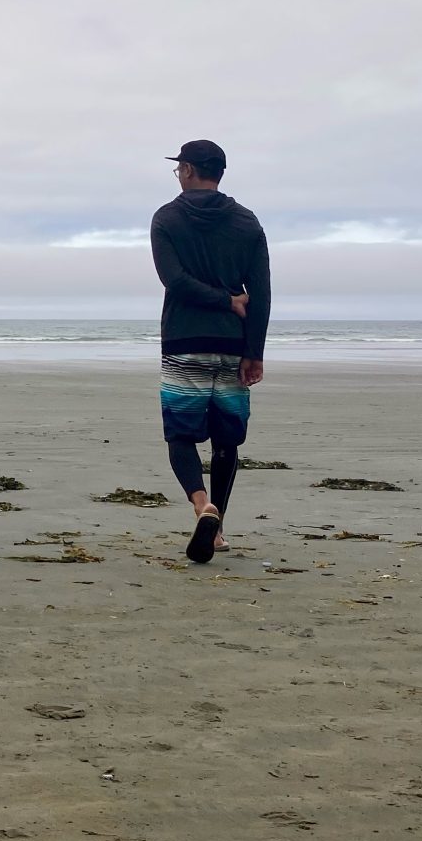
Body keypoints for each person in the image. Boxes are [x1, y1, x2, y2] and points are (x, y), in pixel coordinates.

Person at [151, 140, 270, 563]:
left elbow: (175, 280)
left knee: (180, 434)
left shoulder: (167, 218)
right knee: (226, 440)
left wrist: (222, 300)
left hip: (185, 339)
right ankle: (217, 533)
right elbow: (261, 292)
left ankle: (203, 507)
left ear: (186, 169)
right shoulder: (247, 222)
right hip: (234, 344)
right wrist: (254, 349)